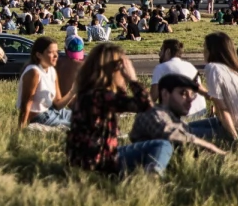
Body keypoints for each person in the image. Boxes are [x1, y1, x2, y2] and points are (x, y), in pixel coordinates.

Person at [65, 43, 173, 176]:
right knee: (162, 144)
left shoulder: (88, 93)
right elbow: (146, 105)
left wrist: (121, 84)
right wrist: (132, 79)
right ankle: (153, 175)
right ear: (113, 69)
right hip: (101, 163)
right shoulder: (102, 96)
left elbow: (122, 101)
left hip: (84, 160)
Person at [130, 74, 226, 157]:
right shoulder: (154, 114)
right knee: (164, 145)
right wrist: (209, 146)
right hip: (131, 166)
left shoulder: (174, 119)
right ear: (165, 94)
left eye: (192, 94)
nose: (190, 100)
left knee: (218, 125)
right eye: (183, 93)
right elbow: (170, 133)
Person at [202, 33, 238, 141]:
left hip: (233, 126)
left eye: (205, 48)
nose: (203, 52)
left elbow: (223, 109)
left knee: (178, 131)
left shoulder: (213, 68)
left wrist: (235, 138)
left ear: (212, 51)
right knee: (183, 127)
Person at [18, 36, 75, 129]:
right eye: (51, 52)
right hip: (40, 117)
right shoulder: (34, 72)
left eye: (56, 51)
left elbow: (58, 104)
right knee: (79, 127)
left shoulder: (52, 70)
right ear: (39, 55)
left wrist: (73, 91)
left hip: (55, 111)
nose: (56, 55)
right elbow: (26, 103)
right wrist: (21, 128)